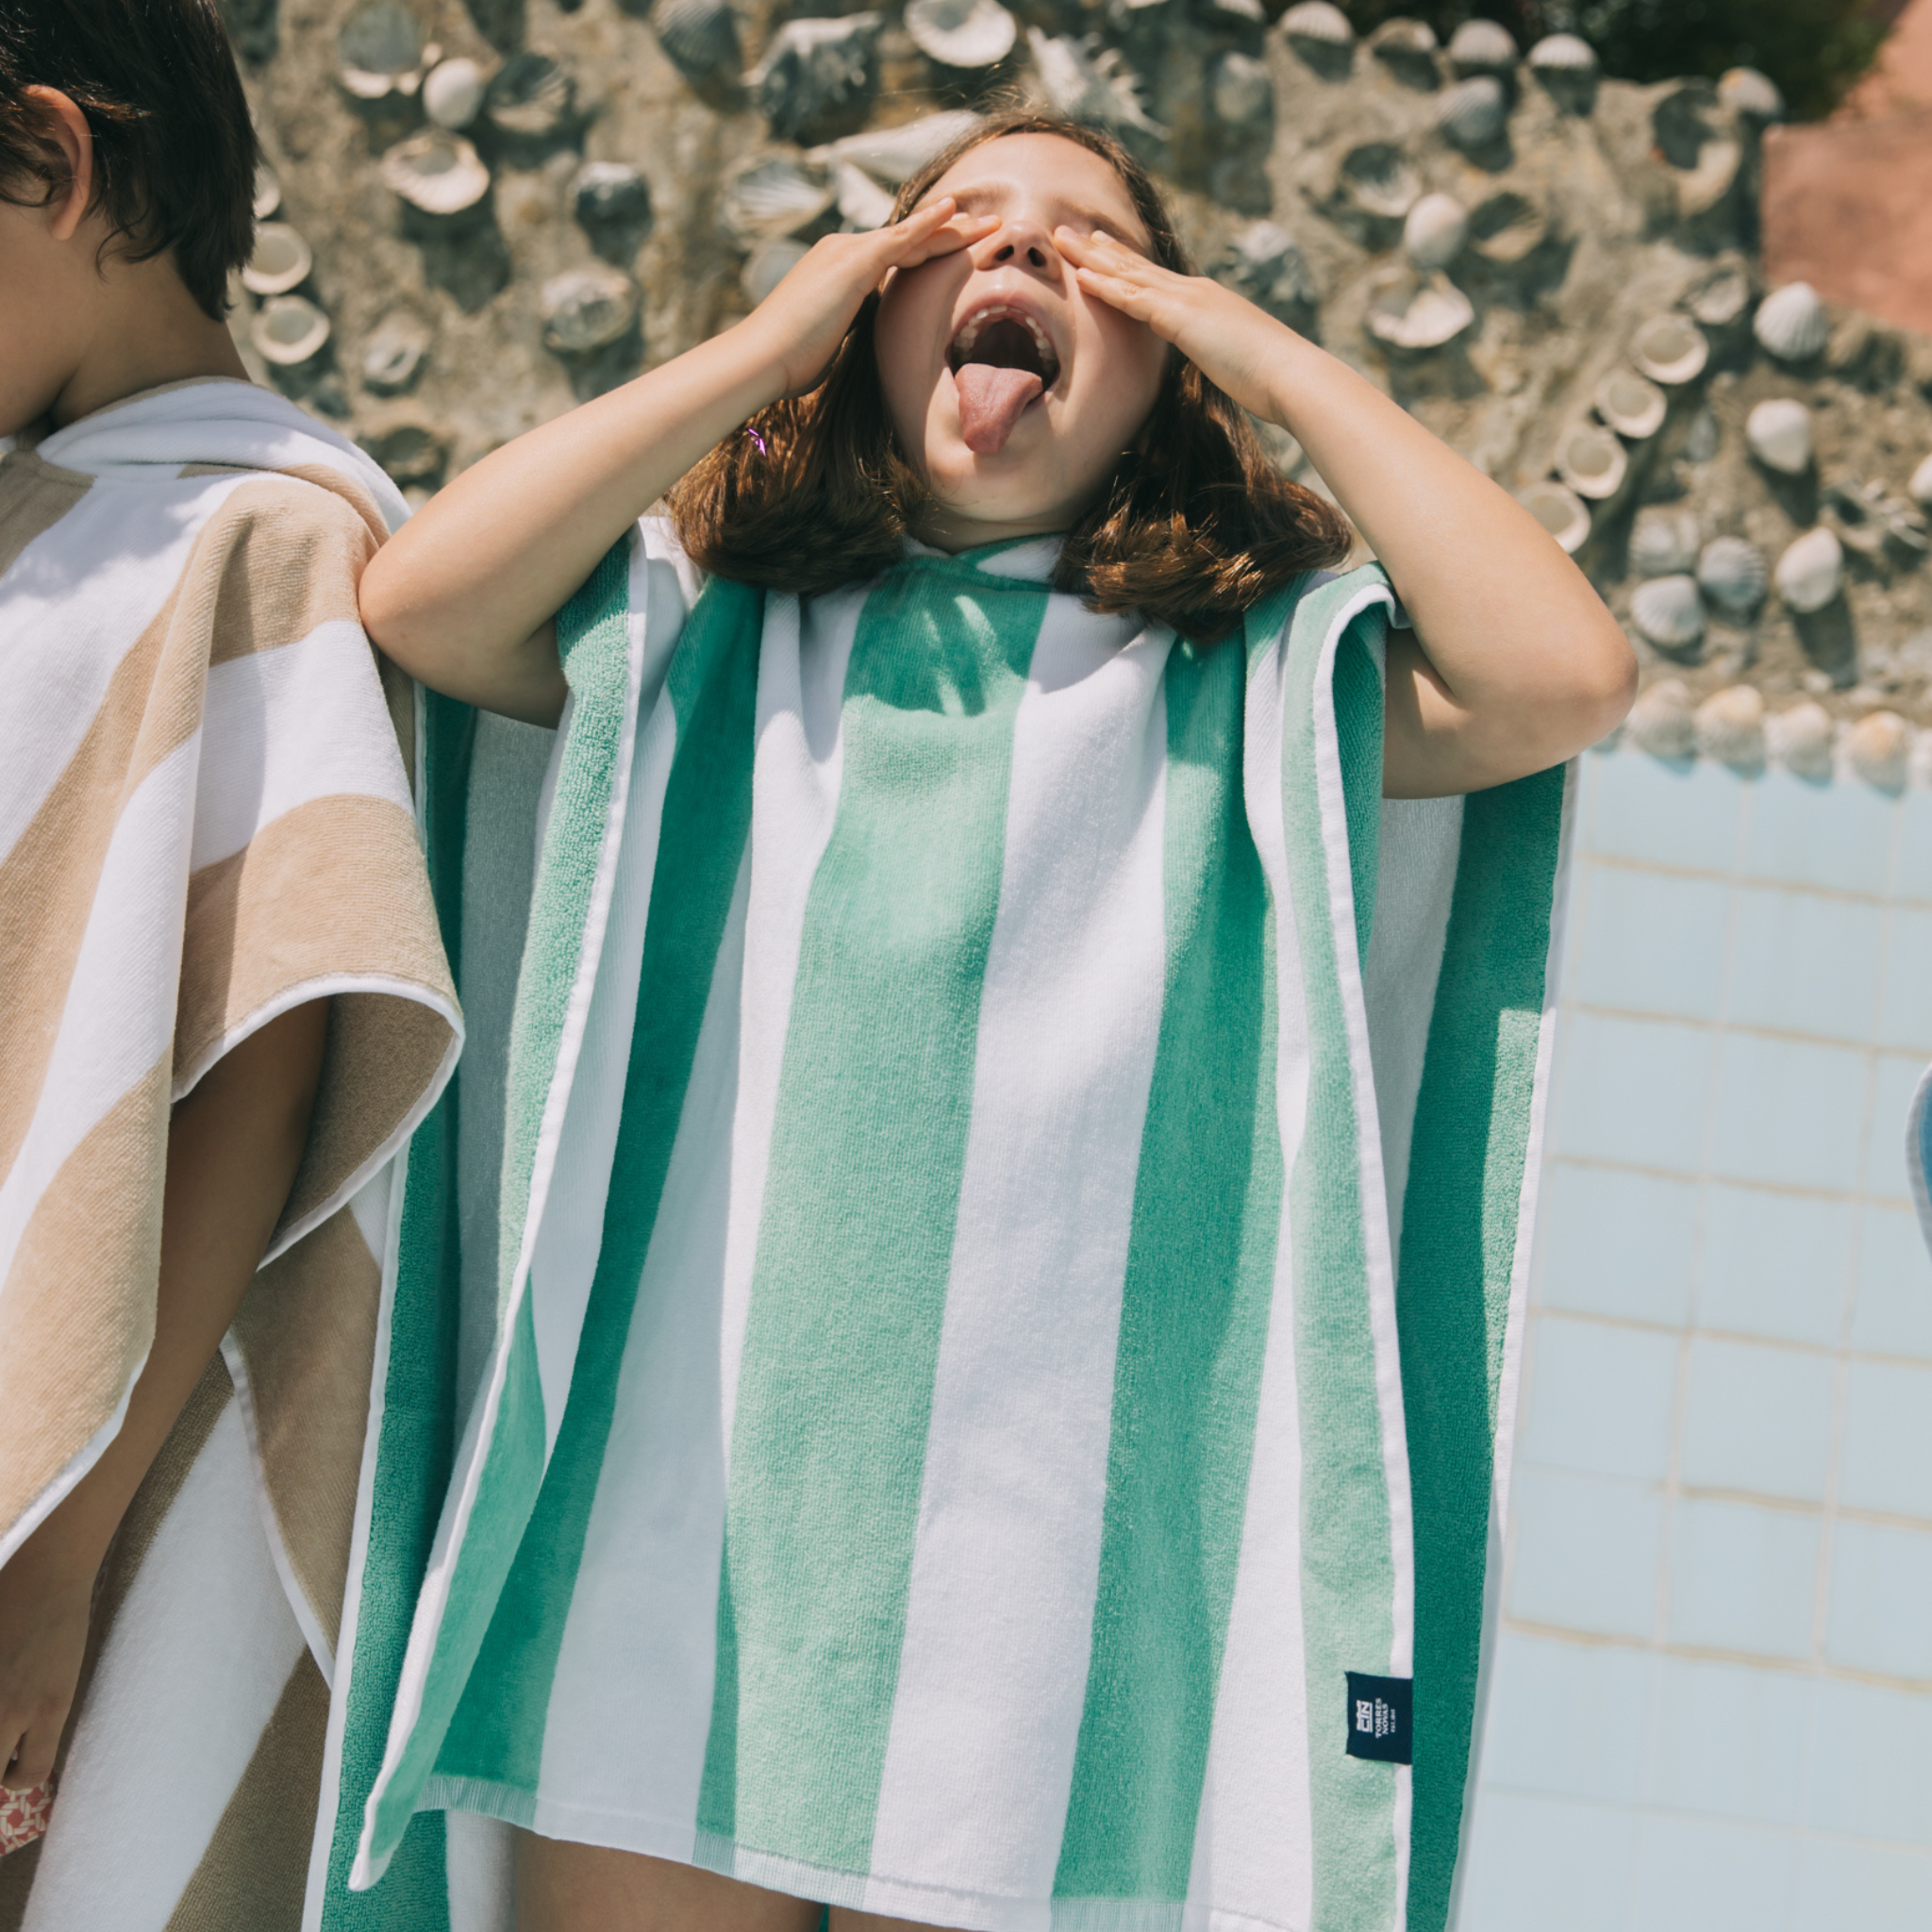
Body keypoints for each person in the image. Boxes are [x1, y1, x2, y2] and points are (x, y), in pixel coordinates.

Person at [340, 113, 1633, 1932]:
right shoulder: (704, 635)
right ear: (871, 318)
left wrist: (1256, 353)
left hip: (1045, 1637)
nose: (1016, 260)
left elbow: (1557, 676)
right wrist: (763, 350)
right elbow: (421, 602)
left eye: (1089, 248)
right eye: (951, 233)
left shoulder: (1249, 689)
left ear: (1163, 365)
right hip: (662, 1546)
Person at [0, 1, 458, 1920]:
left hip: (86, 1465)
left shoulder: (264, 532)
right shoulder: (41, 527)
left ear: (51, 161)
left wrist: (53, 1558)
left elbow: (263, 1079)